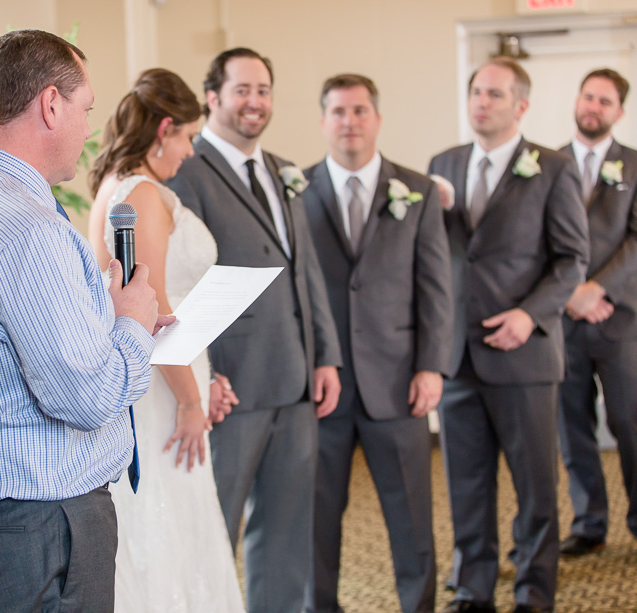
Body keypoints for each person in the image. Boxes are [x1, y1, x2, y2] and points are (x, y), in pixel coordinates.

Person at [0, 30, 166, 612]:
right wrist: (131, 326)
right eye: (85, 109)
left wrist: (94, 308)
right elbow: (88, 397)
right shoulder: (25, 228)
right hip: (42, 523)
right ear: (51, 104)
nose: (88, 128)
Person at [168, 48, 342, 613]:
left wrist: (325, 356)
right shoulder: (185, 172)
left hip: (294, 377)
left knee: (287, 531)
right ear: (213, 98)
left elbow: (305, 270)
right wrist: (205, 379)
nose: (255, 102)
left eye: (263, 90)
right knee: (214, 531)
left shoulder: (281, 169)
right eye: (242, 90)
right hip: (230, 387)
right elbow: (182, 282)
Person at [428, 57, 589, 613]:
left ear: (520, 105)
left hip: (524, 355)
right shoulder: (443, 163)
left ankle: (534, 593)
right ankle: (473, 589)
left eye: (495, 94)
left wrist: (530, 315)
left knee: (534, 487)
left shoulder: (553, 168)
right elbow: (441, 255)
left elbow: (572, 259)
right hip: (456, 357)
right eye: (476, 91)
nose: (482, 102)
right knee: (467, 487)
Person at [87, 67, 245, 613]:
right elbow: (154, 314)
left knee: (163, 521)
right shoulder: (143, 196)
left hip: (166, 375)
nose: (189, 152)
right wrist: (191, 400)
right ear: (165, 129)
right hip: (161, 388)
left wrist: (206, 377)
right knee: (171, 519)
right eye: (188, 138)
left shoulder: (114, 186)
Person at [302, 74, 452, 613]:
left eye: (360, 110)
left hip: (398, 380)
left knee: (412, 515)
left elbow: (436, 286)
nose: (350, 121)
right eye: (338, 111)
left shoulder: (416, 190)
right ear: (323, 121)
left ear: (377, 119)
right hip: (324, 385)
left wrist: (432, 365)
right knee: (318, 517)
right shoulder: (297, 191)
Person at [556, 68, 637, 555]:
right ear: (577, 100)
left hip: (618, 315)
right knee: (572, 422)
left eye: (605, 102)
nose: (593, 107)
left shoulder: (635, 165)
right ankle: (589, 522)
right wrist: (569, 294)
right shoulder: (546, 163)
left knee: (630, 421)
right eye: (589, 97)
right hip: (561, 318)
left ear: (619, 113)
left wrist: (598, 289)